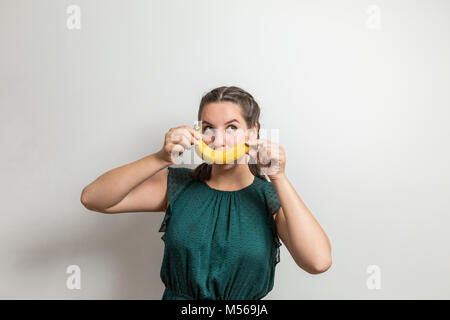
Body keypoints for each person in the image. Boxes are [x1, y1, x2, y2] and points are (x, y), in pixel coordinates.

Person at [81, 86, 332, 300]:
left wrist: (279, 177)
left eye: (232, 127)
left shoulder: (270, 197)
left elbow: (318, 262)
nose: (219, 140)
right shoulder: (179, 185)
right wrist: (160, 157)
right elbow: (93, 198)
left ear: (253, 132)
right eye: (209, 128)